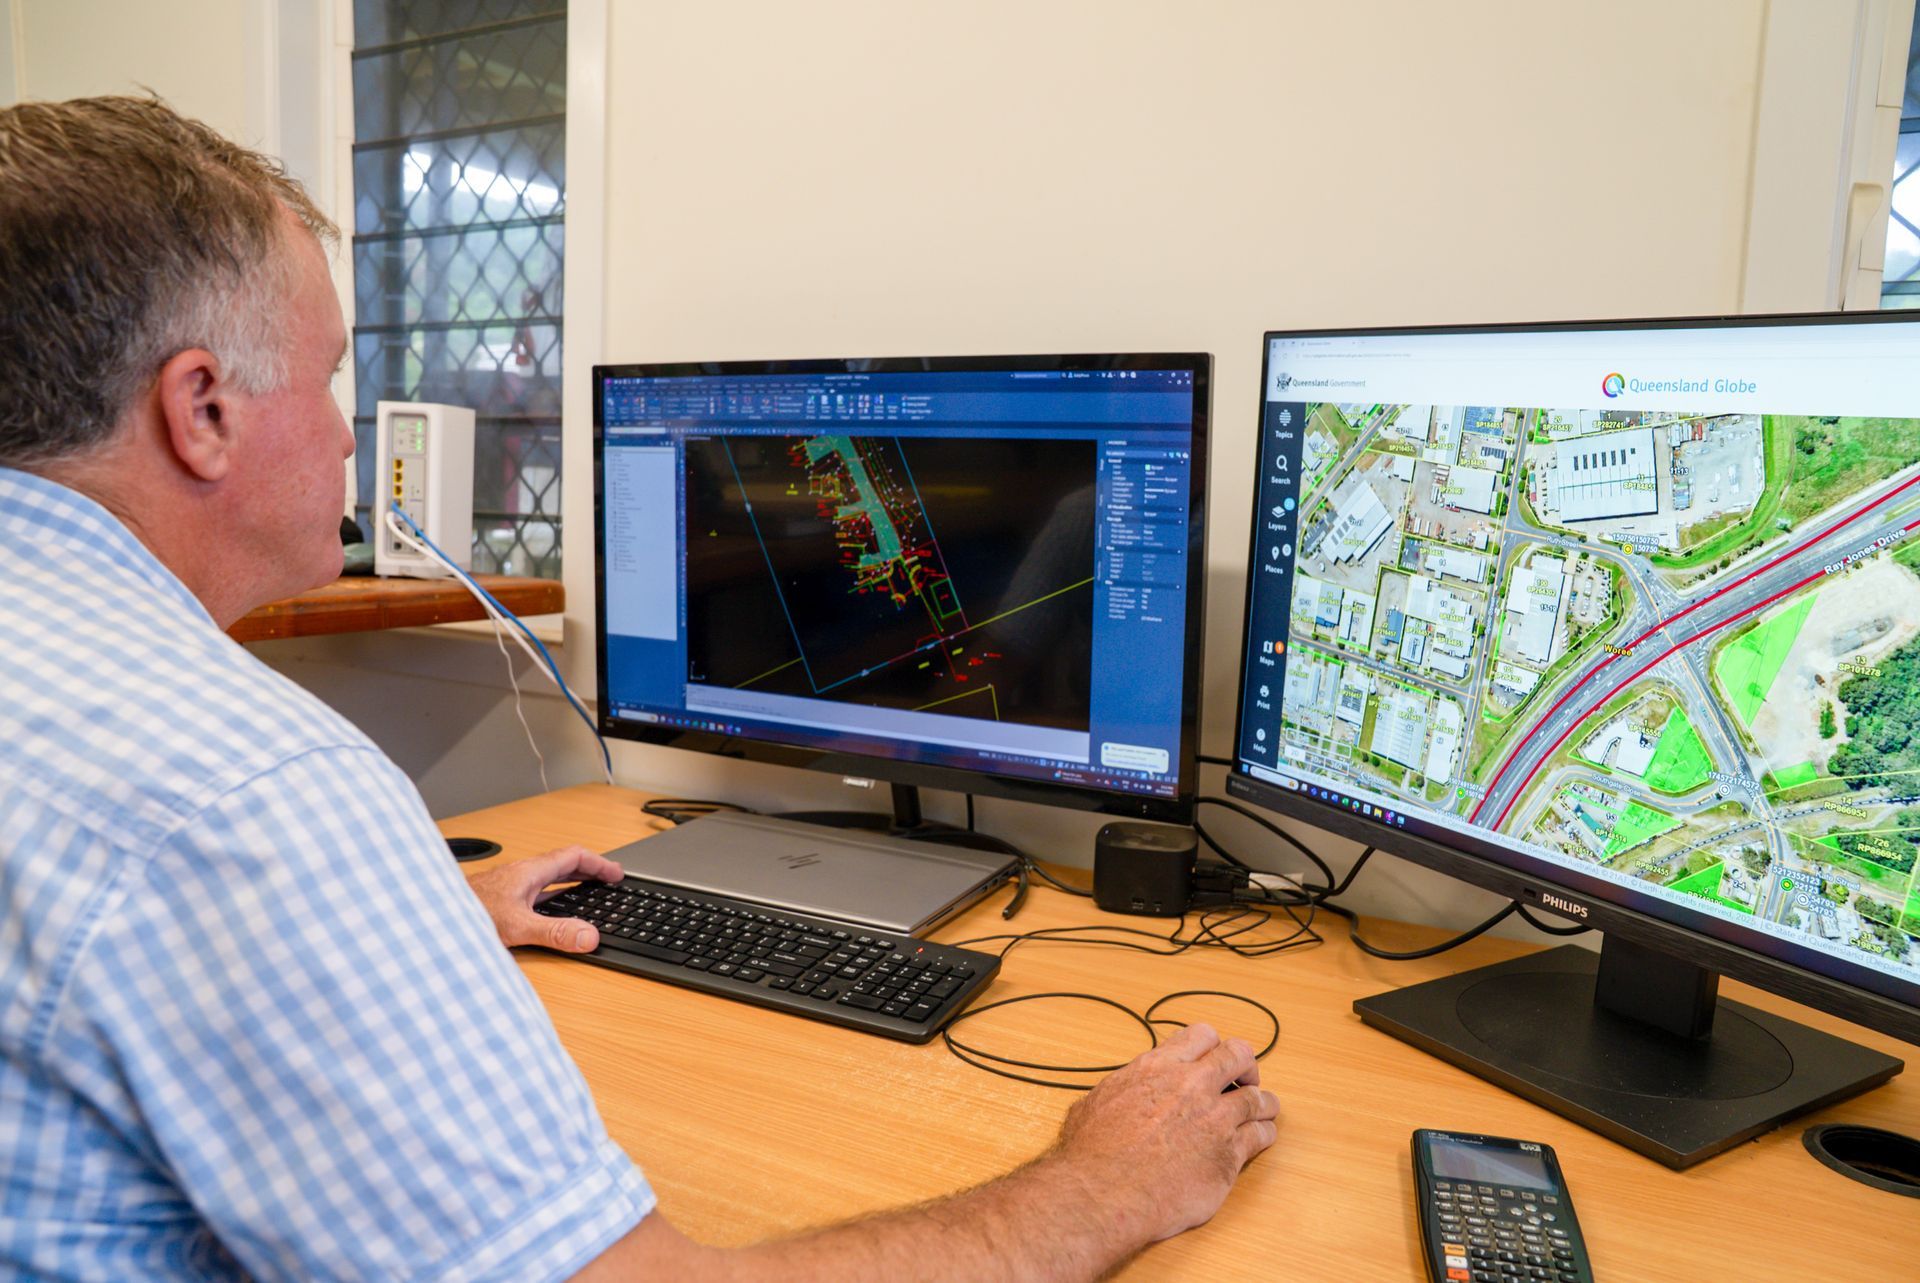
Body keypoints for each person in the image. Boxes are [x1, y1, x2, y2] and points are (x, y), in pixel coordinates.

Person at [0, 96, 1278, 1282]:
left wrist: (393, 910)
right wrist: (1102, 1183)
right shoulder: (246, 793)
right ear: (201, 409)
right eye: (332, 373)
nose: (350, 433)